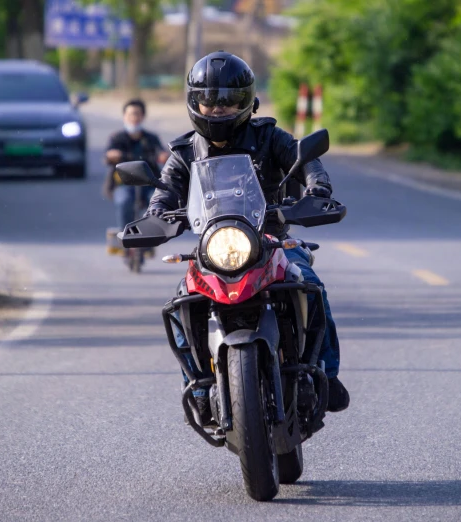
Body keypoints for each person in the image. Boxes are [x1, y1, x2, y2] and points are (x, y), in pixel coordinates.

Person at [146, 51, 350, 423]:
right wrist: (155, 214)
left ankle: (328, 372)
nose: (218, 110)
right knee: (181, 303)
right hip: (214, 246)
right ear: (194, 102)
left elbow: (305, 162)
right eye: (208, 101)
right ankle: (198, 382)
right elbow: (163, 193)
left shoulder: (270, 136)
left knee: (311, 284)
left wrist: (317, 189)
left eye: (229, 102)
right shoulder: (184, 152)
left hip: (270, 241)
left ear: (248, 102)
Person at [103, 99, 169, 232]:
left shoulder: (151, 138)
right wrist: (112, 155)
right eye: (130, 114)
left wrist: (164, 156)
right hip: (124, 184)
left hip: (148, 184)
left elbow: (161, 152)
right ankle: (126, 234)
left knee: (158, 203)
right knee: (124, 201)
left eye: (137, 114)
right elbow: (108, 155)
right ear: (124, 116)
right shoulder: (117, 138)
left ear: (142, 116)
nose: (133, 118)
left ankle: (152, 233)